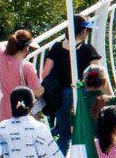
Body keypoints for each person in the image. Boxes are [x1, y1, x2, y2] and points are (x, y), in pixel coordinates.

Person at [39, 19, 101, 150]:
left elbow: (45, 73)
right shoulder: (87, 49)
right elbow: (95, 73)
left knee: (64, 135)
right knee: (85, 133)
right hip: (82, 94)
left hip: (60, 95)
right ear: (84, 31)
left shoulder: (56, 47)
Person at [0, 30, 40, 125]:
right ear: (26, 48)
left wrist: (12, 42)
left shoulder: (3, 56)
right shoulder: (27, 67)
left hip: (5, 107)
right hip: (23, 108)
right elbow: (37, 90)